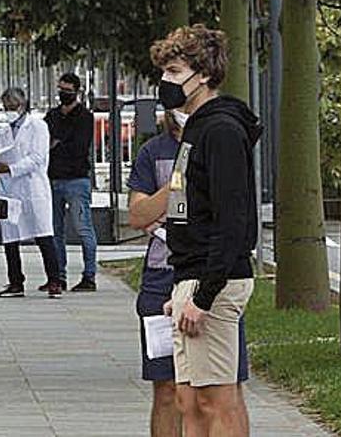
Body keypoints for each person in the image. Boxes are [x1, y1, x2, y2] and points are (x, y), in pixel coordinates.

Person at [154, 25, 261, 437]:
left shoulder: (220, 131)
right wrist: (182, 288)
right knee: (189, 399)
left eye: (175, 70)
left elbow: (232, 221)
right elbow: (188, 206)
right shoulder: (197, 128)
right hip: (192, 275)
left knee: (215, 399)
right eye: (165, 71)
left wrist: (202, 294)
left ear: (204, 75)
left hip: (212, 279)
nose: (166, 81)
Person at [128, 110, 251, 437]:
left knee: (225, 389)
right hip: (162, 275)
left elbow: (233, 216)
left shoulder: (222, 142)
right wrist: (180, 179)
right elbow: (138, 214)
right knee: (168, 388)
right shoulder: (154, 152)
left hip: (212, 276)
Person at [0, 88, 63, 299]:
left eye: (12, 107)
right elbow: (2, 153)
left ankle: (54, 280)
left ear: (22, 106)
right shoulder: (4, 130)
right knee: (10, 237)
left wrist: (11, 169)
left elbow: (38, 158)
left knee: (43, 233)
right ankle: (16, 282)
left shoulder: (38, 126)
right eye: (6, 108)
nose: (9, 112)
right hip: (10, 189)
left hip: (33, 187)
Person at [45, 72, 98, 292]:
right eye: (60, 89)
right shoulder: (52, 115)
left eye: (67, 90)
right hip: (54, 177)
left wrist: (58, 144)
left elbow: (79, 147)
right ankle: (58, 276)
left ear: (76, 92)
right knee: (55, 230)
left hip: (76, 179)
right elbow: (45, 143)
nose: (62, 94)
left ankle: (89, 275)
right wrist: (57, 144)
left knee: (83, 227)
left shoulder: (85, 117)